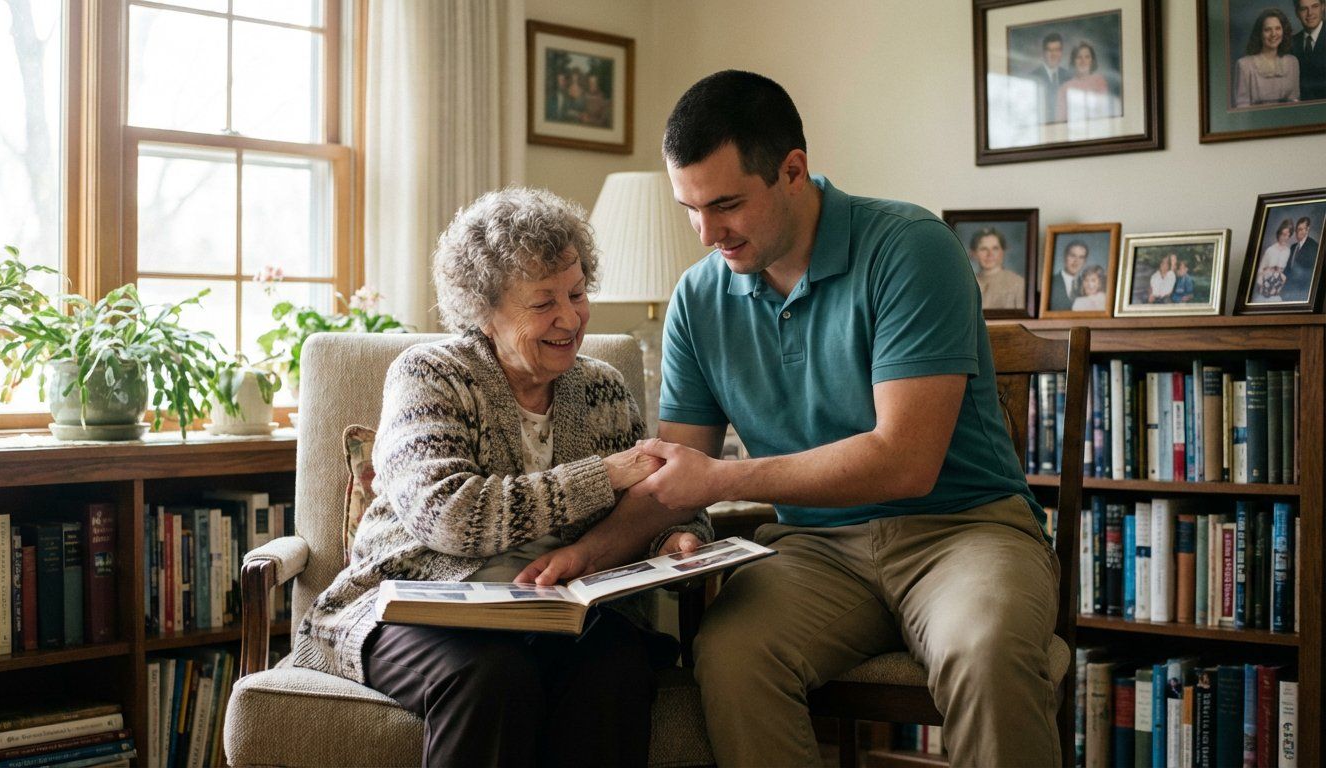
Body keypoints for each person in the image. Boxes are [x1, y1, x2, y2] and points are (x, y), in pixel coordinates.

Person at [635, 70, 1059, 767]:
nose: (708, 232)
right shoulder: (697, 297)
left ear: (793, 171)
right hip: (817, 551)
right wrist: (678, 525)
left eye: (727, 204)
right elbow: (681, 467)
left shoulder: (909, 246)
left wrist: (716, 482)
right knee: (731, 653)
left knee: (984, 649)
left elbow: (906, 461)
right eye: (690, 207)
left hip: (963, 529)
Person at [289, 187, 712, 767]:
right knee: (490, 676)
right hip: (414, 607)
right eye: (543, 304)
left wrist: (675, 540)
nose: (570, 317)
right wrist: (603, 475)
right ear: (484, 310)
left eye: (578, 293)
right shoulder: (430, 375)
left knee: (615, 663)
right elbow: (450, 515)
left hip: (560, 609)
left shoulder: (603, 388)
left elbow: (655, 502)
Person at [1235, 8, 1301, 108]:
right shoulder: (1244, 65)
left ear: (1284, 31)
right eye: (1267, 29)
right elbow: (1241, 108)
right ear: (1260, 33)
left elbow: (1295, 102)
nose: (1273, 34)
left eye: (1278, 28)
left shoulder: (1292, 62)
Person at [969, 227, 1026, 310]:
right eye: (983, 249)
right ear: (973, 253)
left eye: (995, 248)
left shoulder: (1018, 284)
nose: (990, 254)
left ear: (1003, 251)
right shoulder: (968, 284)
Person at [1056, 41, 1115, 122]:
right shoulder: (1064, 88)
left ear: (1092, 60)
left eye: (1087, 57)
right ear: (1073, 61)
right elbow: (1061, 120)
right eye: (1079, 57)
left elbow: (1104, 112)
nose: (1083, 61)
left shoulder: (1099, 81)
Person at [1027, 32, 1071, 123]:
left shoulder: (1069, 76)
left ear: (1061, 52)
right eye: (1049, 50)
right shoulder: (1032, 78)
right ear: (1043, 53)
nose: (1053, 54)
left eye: (1057, 50)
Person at [1256, 219, 1296, 301]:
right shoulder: (1270, 250)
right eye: (1283, 234)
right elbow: (1260, 270)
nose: (1285, 238)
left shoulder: (1289, 251)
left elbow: (1288, 272)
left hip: (1279, 289)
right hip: (1265, 288)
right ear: (1279, 233)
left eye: (1288, 235)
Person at [1294, 0, 1325, 101]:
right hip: (1300, 112)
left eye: (1315, 6)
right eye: (1304, 9)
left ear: (1323, 7)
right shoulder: (1291, 43)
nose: (1310, 13)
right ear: (1297, 13)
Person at [1284, 215, 1321, 300]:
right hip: (1289, 288)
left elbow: (1311, 271)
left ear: (1307, 230)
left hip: (1303, 290)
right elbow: (1288, 269)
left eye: (1301, 229)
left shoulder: (1313, 246)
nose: (1297, 232)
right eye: (1297, 230)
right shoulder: (1293, 247)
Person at [1048, 239, 1090, 311]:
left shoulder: (1087, 286)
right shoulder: (1051, 282)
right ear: (1065, 256)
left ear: (1085, 261)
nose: (1076, 261)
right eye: (1073, 255)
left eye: (1081, 257)